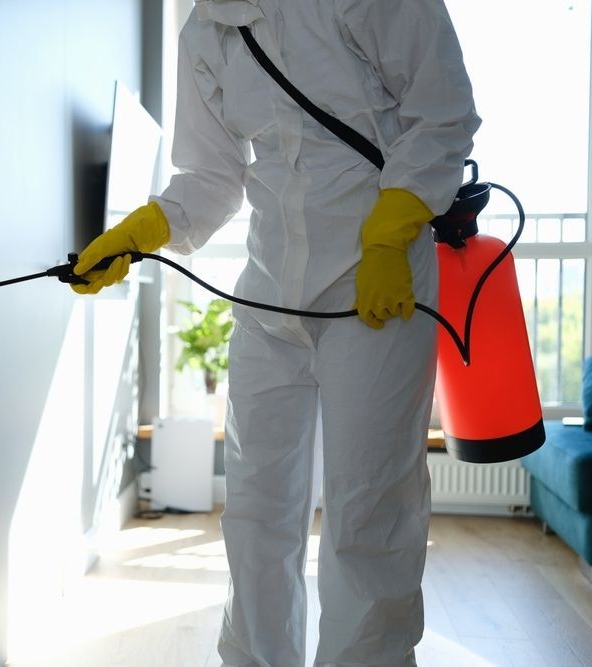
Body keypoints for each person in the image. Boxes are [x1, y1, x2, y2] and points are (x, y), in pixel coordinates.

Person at [73, 0, 480, 664]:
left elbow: (443, 113)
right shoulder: (205, 32)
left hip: (373, 285)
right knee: (257, 514)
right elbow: (210, 178)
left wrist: (389, 229)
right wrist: (139, 233)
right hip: (268, 294)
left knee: (367, 513)